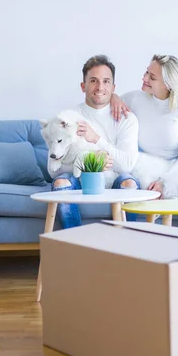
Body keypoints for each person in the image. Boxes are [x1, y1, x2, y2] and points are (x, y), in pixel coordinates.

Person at [110, 54, 178, 229]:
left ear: (168, 84)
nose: (144, 78)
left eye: (152, 77)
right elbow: (107, 98)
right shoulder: (135, 99)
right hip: (160, 167)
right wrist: (115, 97)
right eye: (146, 72)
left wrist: (164, 181)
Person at [50, 55, 140, 228]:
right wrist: (91, 161)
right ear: (83, 86)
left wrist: (97, 139)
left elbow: (127, 165)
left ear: (113, 87)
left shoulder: (127, 119)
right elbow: (53, 170)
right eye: (93, 81)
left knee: (130, 183)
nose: (100, 87)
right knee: (61, 182)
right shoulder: (68, 118)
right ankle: (76, 247)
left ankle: (125, 247)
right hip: (78, 182)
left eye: (106, 81)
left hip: (115, 182)